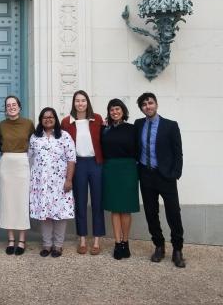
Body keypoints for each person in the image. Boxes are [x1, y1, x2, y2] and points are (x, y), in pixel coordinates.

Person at [135, 92, 186, 268]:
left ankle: (178, 250)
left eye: (150, 103)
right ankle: (159, 246)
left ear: (156, 104)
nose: (147, 106)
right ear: (141, 108)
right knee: (151, 213)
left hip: (165, 176)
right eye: (144, 104)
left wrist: (175, 173)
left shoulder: (170, 126)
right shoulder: (138, 124)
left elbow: (178, 152)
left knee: (173, 213)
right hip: (146, 175)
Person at [60, 90, 105, 255]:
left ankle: (97, 240)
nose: (80, 103)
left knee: (97, 202)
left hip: (95, 163)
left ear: (87, 102)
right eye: (77, 101)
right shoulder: (66, 122)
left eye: (83, 100)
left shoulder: (97, 119)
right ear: (73, 103)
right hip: (78, 165)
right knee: (80, 202)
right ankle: (83, 239)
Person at [29, 107, 76, 258]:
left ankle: (58, 245)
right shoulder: (35, 138)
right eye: (44, 117)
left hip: (60, 182)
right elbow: (29, 159)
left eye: (51, 117)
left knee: (59, 214)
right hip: (41, 183)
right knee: (45, 214)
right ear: (40, 120)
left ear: (55, 119)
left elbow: (71, 159)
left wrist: (69, 180)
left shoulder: (64, 136)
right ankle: (47, 244)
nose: (48, 119)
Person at [100, 98, 140, 260]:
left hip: (128, 168)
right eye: (112, 110)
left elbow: (139, 148)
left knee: (126, 208)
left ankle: (125, 241)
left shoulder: (132, 129)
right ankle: (117, 243)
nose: (115, 112)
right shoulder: (105, 129)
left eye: (117, 109)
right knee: (115, 208)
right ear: (109, 112)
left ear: (123, 111)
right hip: (110, 169)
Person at [0, 95, 34, 256]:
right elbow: (0, 143)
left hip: (22, 163)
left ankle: (22, 240)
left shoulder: (28, 124)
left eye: (14, 104)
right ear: (6, 108)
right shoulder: (2, 125)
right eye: (8, 105)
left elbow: (34, 143)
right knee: (8, 202)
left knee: (21, 201)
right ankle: (11, 239)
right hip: (6, 163)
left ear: (19, 106)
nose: (11, 107)